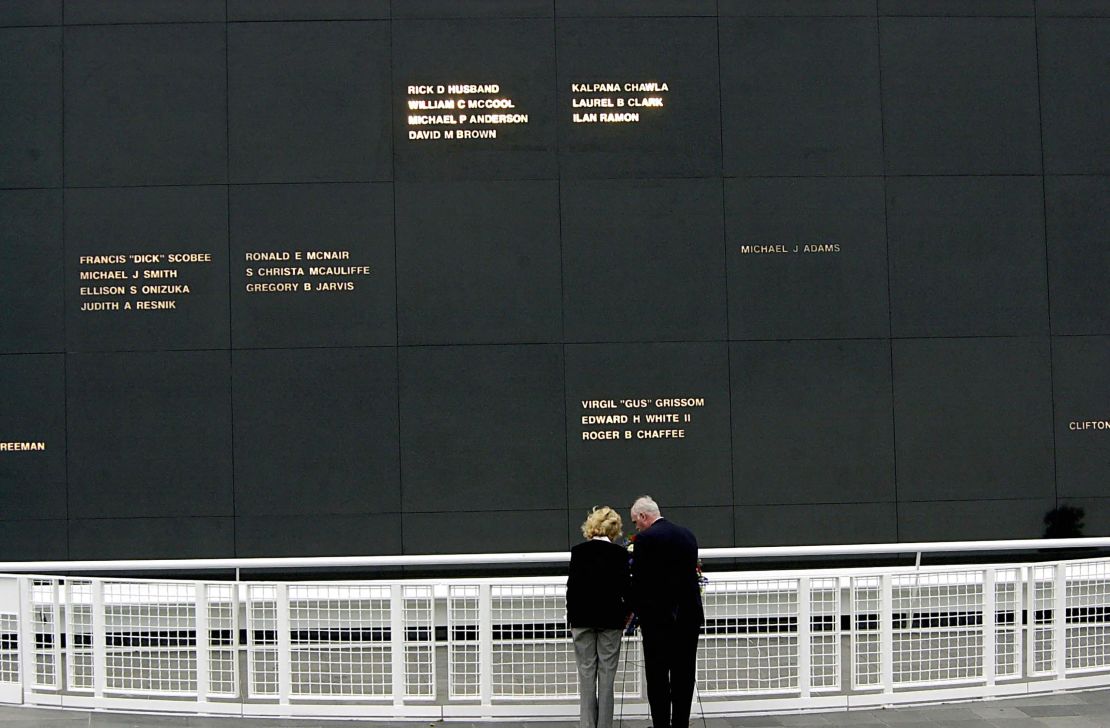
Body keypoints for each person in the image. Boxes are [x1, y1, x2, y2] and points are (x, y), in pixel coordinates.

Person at [628, 495, 703, 728]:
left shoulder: (644, 539)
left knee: (658, 675)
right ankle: (681, 723)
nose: (636, 526)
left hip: (657, 619)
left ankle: (662, 724)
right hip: (688, 617)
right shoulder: (688, 535)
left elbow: (639, 581)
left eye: (635, 521)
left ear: (643, 516)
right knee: (684, 673)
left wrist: (633, 610)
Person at [566, 506, 631, 728]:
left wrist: (571, 618)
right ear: (614, 530)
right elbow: (626, 589)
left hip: (582, 619)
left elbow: (572, 588)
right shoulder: (620, 554)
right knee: (607, 678)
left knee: (586, 675)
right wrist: (626, 615)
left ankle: (587, 724)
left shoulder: (578, 551)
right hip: (611, 621)